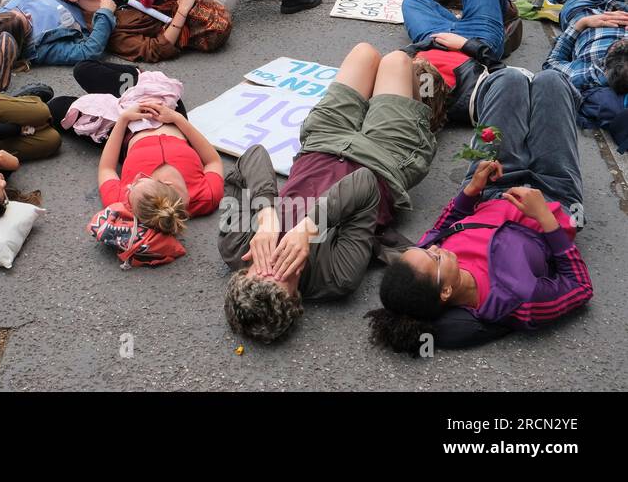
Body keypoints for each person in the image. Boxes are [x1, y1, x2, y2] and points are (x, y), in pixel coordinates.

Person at [220, 45, 440, 343]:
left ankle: (415, 99)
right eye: (285, 274)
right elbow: (364, 184)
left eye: (260, 268)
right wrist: (309, 229)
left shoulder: (235, 248)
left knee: (364, 53)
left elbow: (252, 157)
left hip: (322, 141)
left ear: (243, 275)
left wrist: (266, 214)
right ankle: (426, 108)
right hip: (383, 158)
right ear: (297, 297)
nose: (274, 260)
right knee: (396, 62)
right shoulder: (337, 277)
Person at [366, 69, 591, 354]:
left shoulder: (425, 261)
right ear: (445, 292)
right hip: (553, 200)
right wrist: (546, 220)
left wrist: (469, 192)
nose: (434, 246)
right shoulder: (518, 299)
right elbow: (580, 287)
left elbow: (444, 227)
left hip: (492, 188)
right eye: (434, 257)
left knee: (508, 79)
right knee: (553, 82)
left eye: (425, 248)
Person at [97, 98, 224, 237]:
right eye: (138, 182)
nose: (135, 180)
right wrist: (178, 118)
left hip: (129, 131)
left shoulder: (120, 201)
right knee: (157, 87)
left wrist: (123, 119)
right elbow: (213, 161)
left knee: (83, 81)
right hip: (172, 120)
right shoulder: (207, 196)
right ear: (165, 183)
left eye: (131, 188)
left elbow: (107, 169)